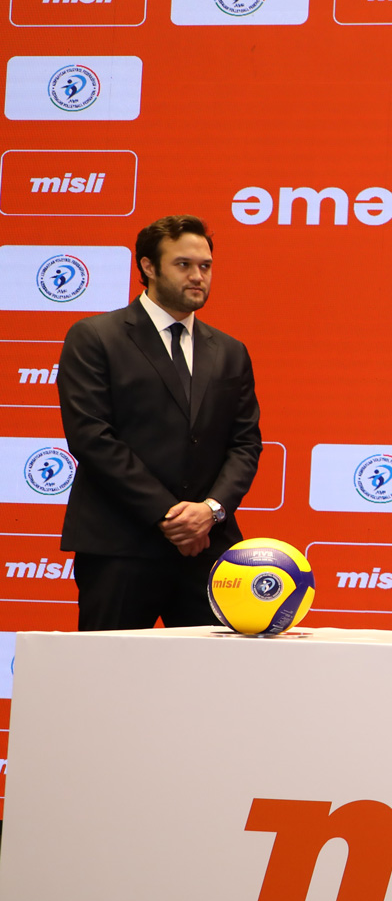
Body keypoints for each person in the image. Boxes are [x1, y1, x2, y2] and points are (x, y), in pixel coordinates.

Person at [57, 214, 261, 630]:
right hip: (120, 546)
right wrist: (170, 516)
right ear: (148, 267)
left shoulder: (230, 351)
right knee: (108, 669)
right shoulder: (96, 337)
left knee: (212, 671)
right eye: (183, 264)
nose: (198, 276)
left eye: (205, 266)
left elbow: (245, 444)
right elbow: (92, 437)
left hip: (207, 549)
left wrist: (210, 512)